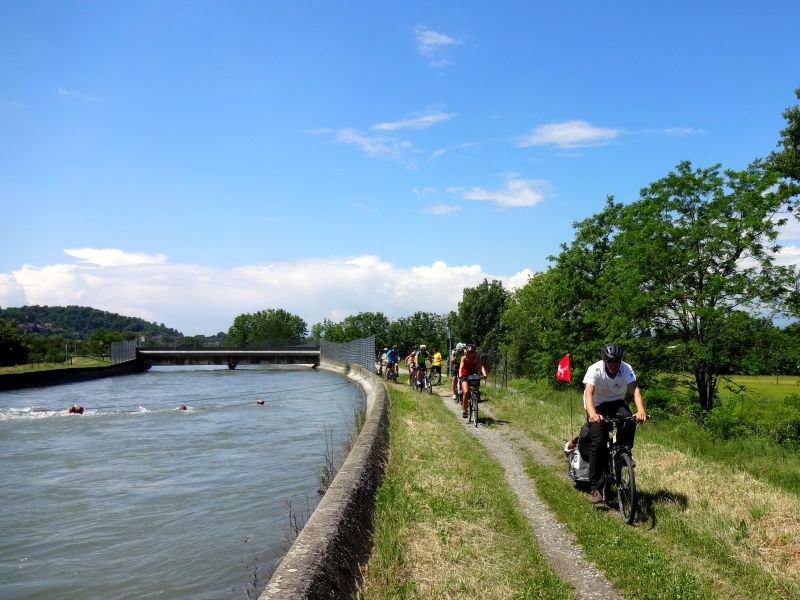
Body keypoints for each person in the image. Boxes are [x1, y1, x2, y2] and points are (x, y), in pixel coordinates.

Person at [582, 342, 647, 504]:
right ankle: (596, 488)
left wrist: (640, 410)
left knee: (629, 420)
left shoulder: (626, 368)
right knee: (599, 441)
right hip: (597, 405)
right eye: (610, 361)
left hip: (616, 402)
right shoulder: (594, 369)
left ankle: (623, 451)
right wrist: (593, 414)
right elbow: (588, 393)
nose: (613, 364)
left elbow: (635, 390)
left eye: (616, 361)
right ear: (604, 360)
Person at [459, 343, 488, 418]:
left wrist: (484, 374)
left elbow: (481, 366)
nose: (471, 354)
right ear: (467, 352)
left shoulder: (476, 357)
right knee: (466, 392)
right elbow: (461, 367)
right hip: (464, 374)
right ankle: (465, 410)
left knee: (476, 391)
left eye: (472, 352)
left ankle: (474, 400)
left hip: (473, 374)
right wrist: (460, 376)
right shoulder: (464, 358)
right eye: (469, 352)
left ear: (474, 351)